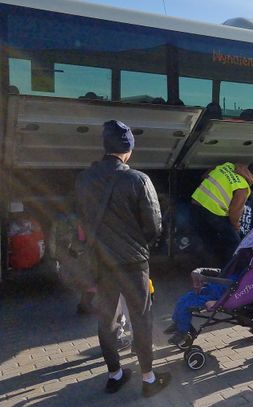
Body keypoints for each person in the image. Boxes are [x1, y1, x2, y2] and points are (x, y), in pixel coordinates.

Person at [76, 120, 170, 397]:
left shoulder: (84, 179)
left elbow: (83, 218)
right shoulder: (138, 180)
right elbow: (154, 226)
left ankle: (115, 375)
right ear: (128, 149)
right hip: (133, 263)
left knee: (106, 319)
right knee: (141, 319)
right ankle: (149, 379)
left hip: (102, 262)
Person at [191, 162, 253, 264]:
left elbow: (205, 175)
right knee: (234, 241)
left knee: (207, 238)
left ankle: (204, 265)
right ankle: (228, 271)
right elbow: (234, 213)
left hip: (197, 203)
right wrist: (236, 226)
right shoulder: (243, 187)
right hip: (212, 211)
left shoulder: (228, 166)